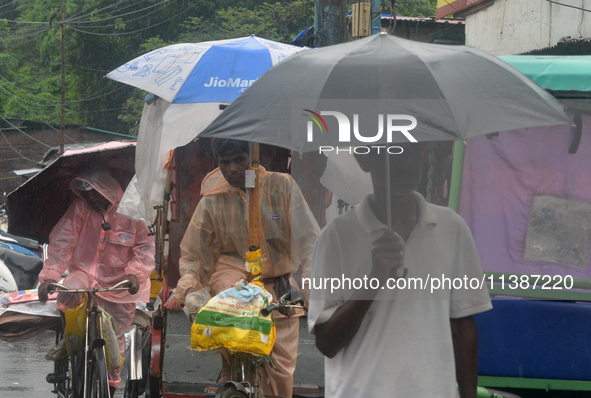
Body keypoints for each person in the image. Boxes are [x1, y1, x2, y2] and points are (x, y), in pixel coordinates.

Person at [307, 143, 492, 398]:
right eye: (392, 152)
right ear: (364, 159)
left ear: (424, 154)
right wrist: (375, 277)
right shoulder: (336, 239)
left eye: (412, 150)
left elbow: (463, 327)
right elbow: (327, 343)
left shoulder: (452, 229)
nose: (405, 162)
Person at [167, 138, 320, 398]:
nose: (232, 169)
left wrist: (311, 285)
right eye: (225, 163)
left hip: (278, 285)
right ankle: (230, 372)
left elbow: (310, 242)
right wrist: (190, 286)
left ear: (253, 158)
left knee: (281, 376)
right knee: (231, 295)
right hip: (232, 278)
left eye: (239, 160)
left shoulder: (281, 186)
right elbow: (194, 253)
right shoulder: (212, 199)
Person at [38, 169, 155, 395]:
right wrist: (50, 275)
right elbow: (63, 240)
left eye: (94, 192)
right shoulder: (81, 207)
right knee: (69, 290)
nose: (90, 198)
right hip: (84, 275)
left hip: (120, 284)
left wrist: (135, 273)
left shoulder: (133, 209)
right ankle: (69, 341)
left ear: (108, 189)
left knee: (115, 343)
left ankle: (109, 388)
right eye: (86, 192)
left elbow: (145, 247)